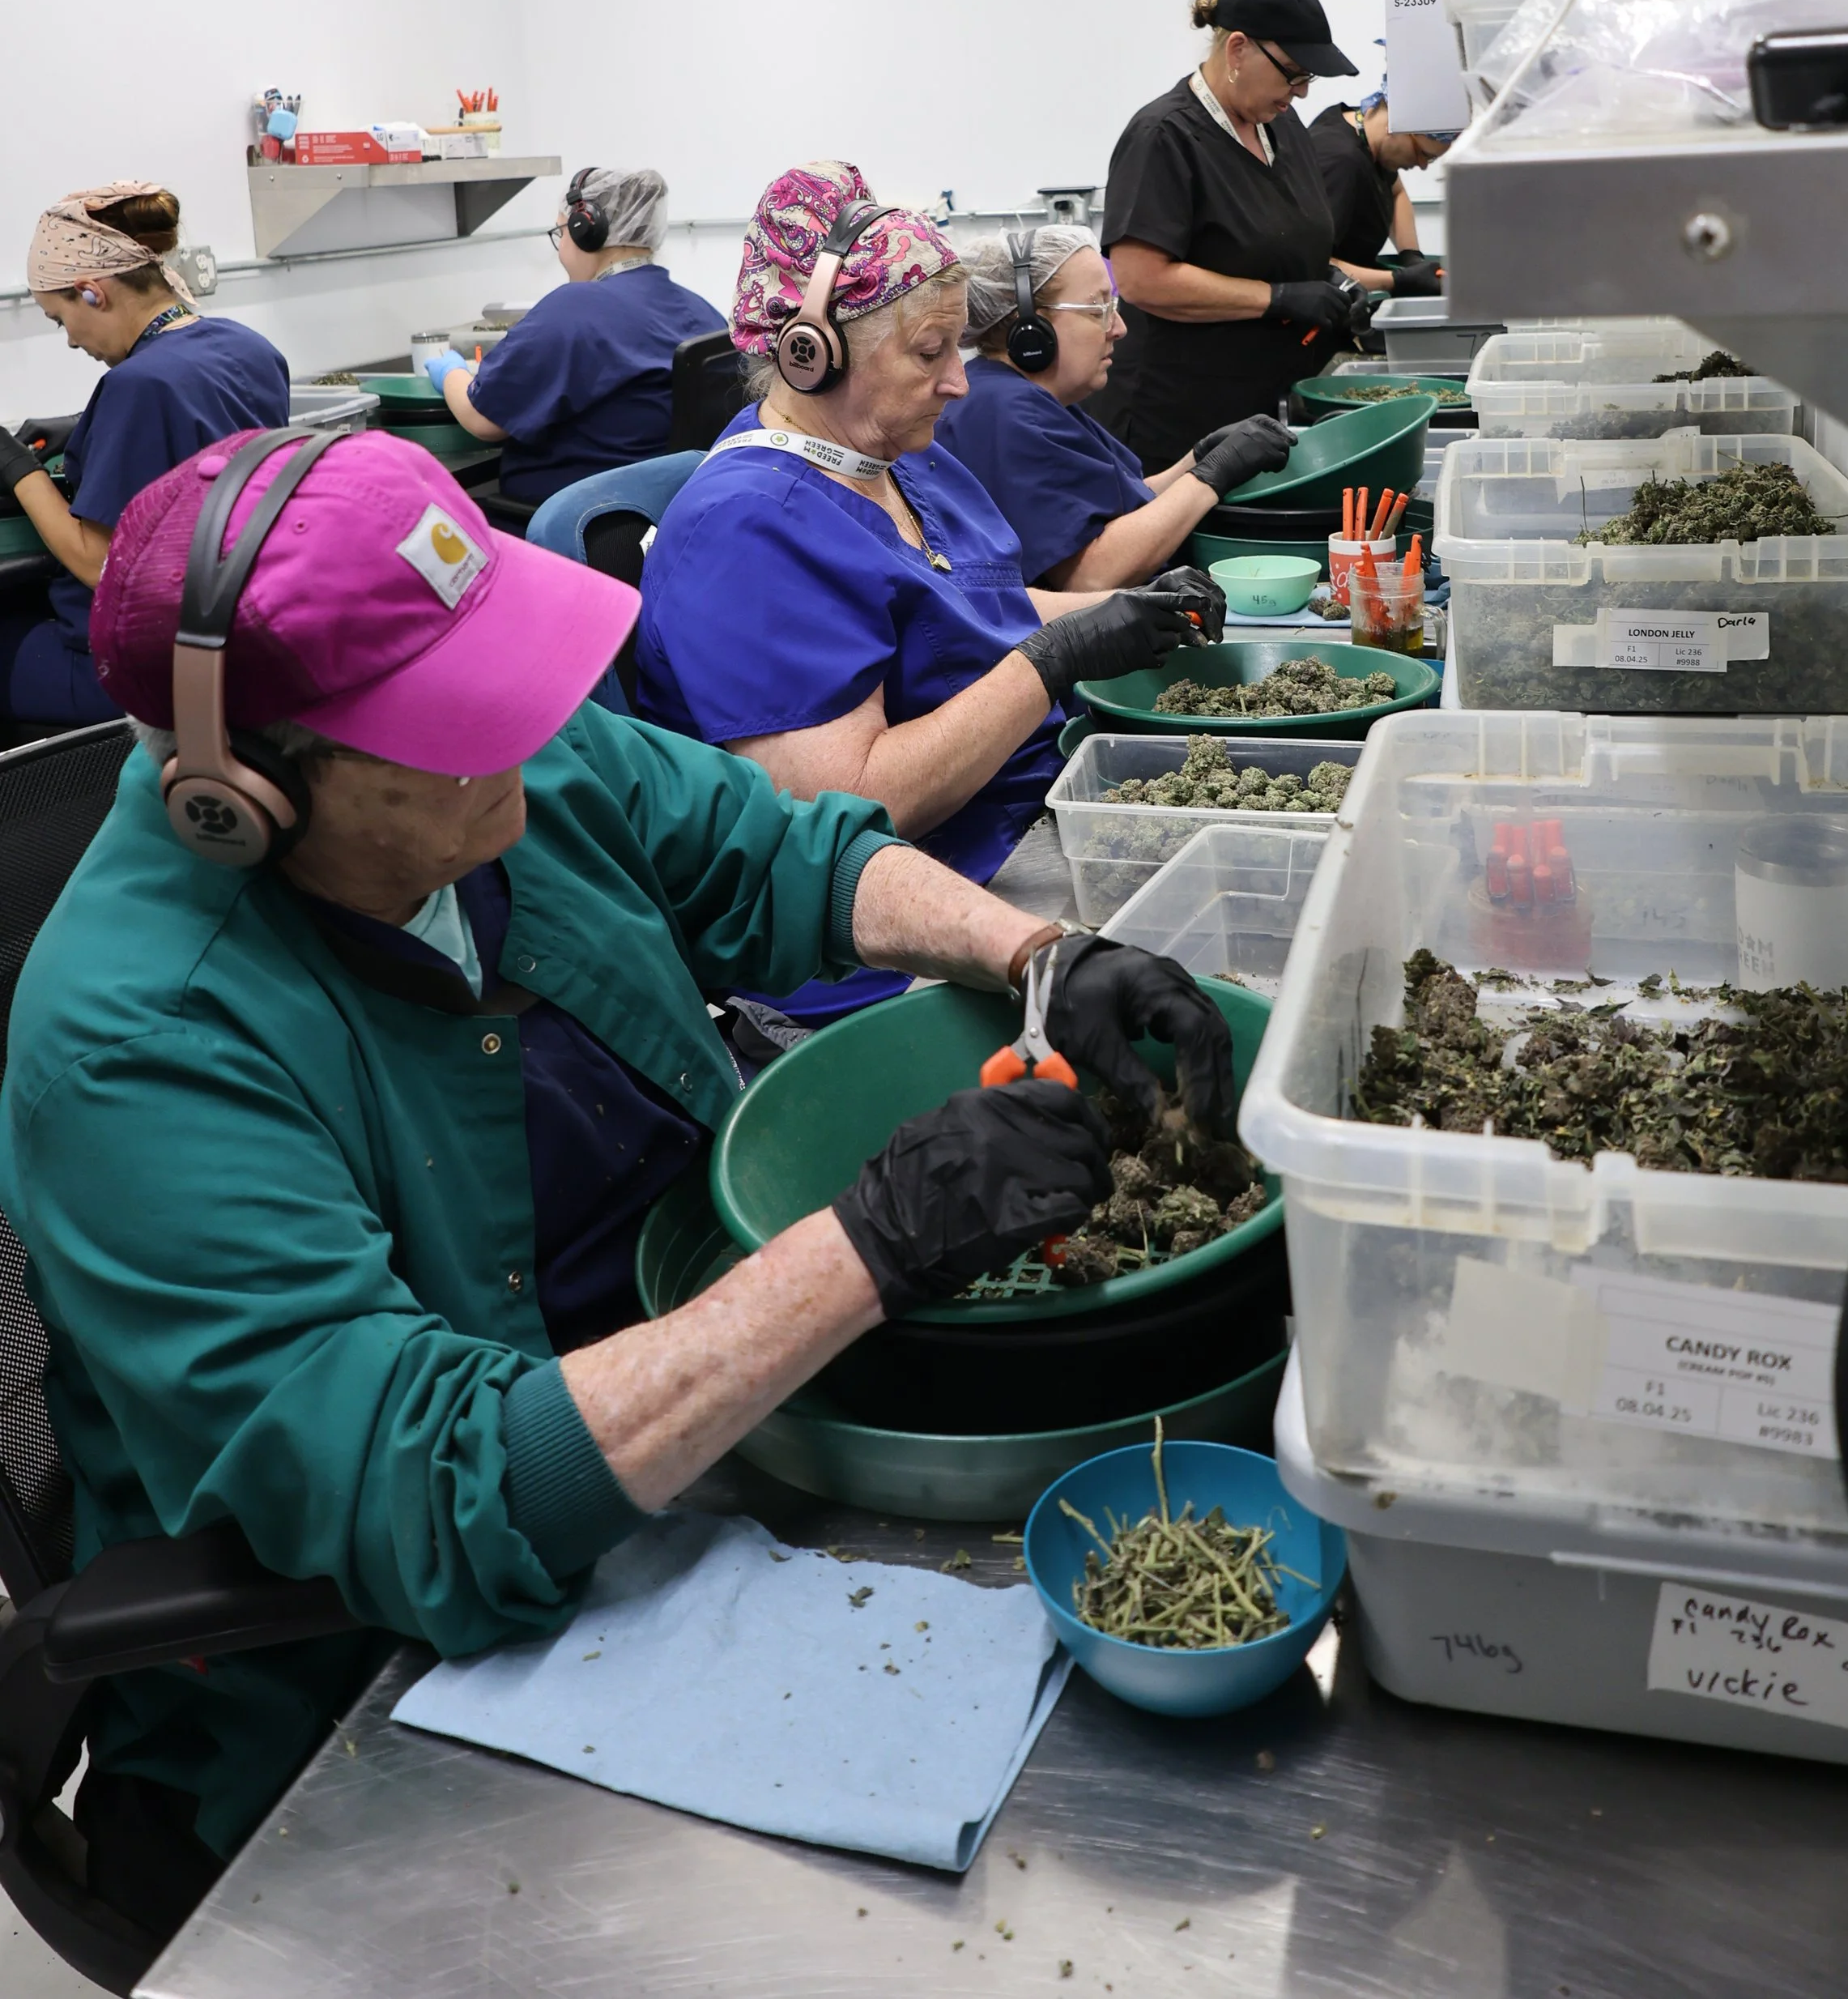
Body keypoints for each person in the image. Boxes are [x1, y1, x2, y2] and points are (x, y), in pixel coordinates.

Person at [1, 423, 1234, 1941]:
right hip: (389, 1672)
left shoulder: (493, 765)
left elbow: (768, 848)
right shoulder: (137, 1046)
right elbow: (428, 1485)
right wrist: (875, 1238)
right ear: (244, 792)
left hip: (716, 1424)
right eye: (458, 723)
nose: (523, 743)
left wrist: (1042, 956)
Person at [632, 164, 1226, 1037]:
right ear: (810, 351)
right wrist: (1053, 660)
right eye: (929, 353)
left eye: (957, 346)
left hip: (1019, 812)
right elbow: (848, 810)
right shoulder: (748, 531)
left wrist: (1127, 612)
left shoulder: (897, 456)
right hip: (905, 929)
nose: (959, 381)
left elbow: (970, 606)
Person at [0, 183, 287, 728]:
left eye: (60, 320)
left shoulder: (139, 385)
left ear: (91, 292)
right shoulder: (248, 348)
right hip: (228, 640)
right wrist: (88, 431)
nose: (69, 341)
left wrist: (16, 467)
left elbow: (97, 563)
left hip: (130, 667)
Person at [1096, 0, 1373, 473]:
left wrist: (1331, 282)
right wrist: (1278, 298)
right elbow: (1140, 279)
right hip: (1175, 416)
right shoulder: (1164, 137)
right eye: (1292, 72)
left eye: (1307, 78)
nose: (1301, 92)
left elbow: (1277, 237)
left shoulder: (1281, 127)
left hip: (1256, 401)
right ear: (1238, 49)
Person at [939, 225, 1293, 585]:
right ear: (1031, 329)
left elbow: (1120, 510)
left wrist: (1197, 461)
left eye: (1114, 307)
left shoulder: (1024, 398)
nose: (1119, 328)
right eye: (1098, 310)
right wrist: (1210, 478)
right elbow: (1089, 575)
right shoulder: (1009, 413)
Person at [424, 166, 722, 504]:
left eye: (561, 231)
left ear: (585, 231)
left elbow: (483, 419)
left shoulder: (576, 306)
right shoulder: (700, 309)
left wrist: (450, 372)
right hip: (656, 517)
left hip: (574, 521)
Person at [1305, 88, 1451, 296]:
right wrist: (1397, 281)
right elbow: (1312, 265)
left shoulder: (1363, 130)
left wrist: (1411, 258)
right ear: (1393, 126)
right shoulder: (1339, 163)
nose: (1422, 165)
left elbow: (1397, 192)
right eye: (1423, 154)